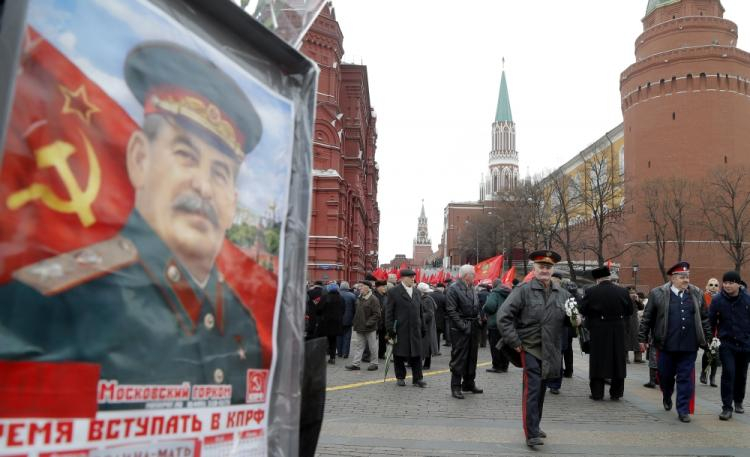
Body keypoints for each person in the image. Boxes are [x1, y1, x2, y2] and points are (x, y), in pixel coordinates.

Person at [0, 42, 277, 407]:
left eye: (221, 173)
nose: (204, 186)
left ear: (232, 203)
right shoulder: (54, 299)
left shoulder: (242, 322)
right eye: (185, 156)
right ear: (140, 158)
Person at [498, 250, 572, 447]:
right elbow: (503, 316)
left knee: (541, 389)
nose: (545, 270)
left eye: (548, 267)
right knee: (532, 389)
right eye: (541, 266)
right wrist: (515, 341)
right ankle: (531, 433)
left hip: (551, 349)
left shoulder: (563, 293)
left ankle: (535, 425)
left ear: (553, 269)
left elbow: (569, 321)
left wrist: (576, 320)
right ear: (534, 268)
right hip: (529, 347)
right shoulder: (523, 290)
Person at [639, 261, 711, 423]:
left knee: (685, 378)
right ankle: (666, 394)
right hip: (666, 345)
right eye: (682, 277)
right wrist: (642, 338)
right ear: (672, 278)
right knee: (665, 376)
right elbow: (647, 318)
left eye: (687, 276)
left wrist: (708, 340)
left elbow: (705, 318)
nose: (686, 280)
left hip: (689, 346)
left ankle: (683, 410)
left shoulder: (696, 293)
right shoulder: (658, 293)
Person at [579, 267, 632, 400]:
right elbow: (629, 310)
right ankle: (616, 392)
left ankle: (597, 393)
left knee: (598, 360)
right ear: (609, 277)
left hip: (599, 328)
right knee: (618, 360)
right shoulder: (623, 291)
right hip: (618, 328)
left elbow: (583, 309)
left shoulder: (591, 291)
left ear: (597, 279)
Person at [709, 271, 750, 420]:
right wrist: (710, 340)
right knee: (728, 373)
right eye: (725, 282)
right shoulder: (718, 300)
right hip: (726, 343)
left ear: (738, 284)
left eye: (731, 282)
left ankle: (738, 400)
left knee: (741, 374)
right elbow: (711, 321)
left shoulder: (747, 299)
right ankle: (727, 407)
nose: (727, 285)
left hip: (745, 344)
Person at [446, 265, 483, 399]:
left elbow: (477, 306)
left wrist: (478, 319)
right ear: (466, 275)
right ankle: (455, 386)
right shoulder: (453, 289)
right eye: (473, 274)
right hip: (460, 328)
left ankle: (468, 383)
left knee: (472, 357)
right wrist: (462, 326)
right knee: (459, 357)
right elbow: (451, 310)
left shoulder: (472, 288)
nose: (475, 276)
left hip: (473, 326)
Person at [385, 269, 426, 387]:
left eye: (413, 277)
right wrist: (390, 329)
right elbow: (389, 313)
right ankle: (400, 377)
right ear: (402, 278)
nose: (413, 279)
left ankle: (417, 378)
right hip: (400, 328)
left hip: (415, 328)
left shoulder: (417, 292)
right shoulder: (394, 292)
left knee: (416, 354)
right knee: (399, 354)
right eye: (410, 277)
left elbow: (420, 312)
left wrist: (423, 327)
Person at [346, 281, 381, 371]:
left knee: (372, 346)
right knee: (359, 346)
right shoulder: (359, 297)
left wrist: (368, 323)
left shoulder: (373, 299)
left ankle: (374, 363)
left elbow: (377, 314)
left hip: (370, 327)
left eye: (362, 286)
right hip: (359, 326)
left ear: (368, 288)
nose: (359, 288)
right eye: (360, 286)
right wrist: (355, 322)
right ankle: (356, 364)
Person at [483, 278, 511, 373]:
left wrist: (484, 309)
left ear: (493, 285)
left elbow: (490, 306)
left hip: (495, 324)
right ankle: (505, 366)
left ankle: (497, 366)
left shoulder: (494, 293)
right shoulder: (509, 293)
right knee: (505, 345)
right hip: (507, 323)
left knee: (495, 346)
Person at [316, 283, 343, 364]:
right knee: (333, 341)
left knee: (323, 340)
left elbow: (318, 309)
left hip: (325, 322)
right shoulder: (341, 298)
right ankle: (332, 358)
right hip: (336, 323)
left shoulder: (324, 297)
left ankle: (321, 358)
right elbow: (343, 310)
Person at [701, 277, 721, 386]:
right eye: (711, 285)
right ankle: (704, 374)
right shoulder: (703, 297)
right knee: (708, 352)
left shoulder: (721, 298)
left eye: (716, 285)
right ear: (707, 286)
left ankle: (712, 377)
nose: (713, 287)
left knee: (715, 354)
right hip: (707, 330)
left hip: (718, 331)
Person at [418, 282, 439, 370]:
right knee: (424, 345)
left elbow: (429, 314)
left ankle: (427, 364)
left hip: (427, 326)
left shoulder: (427, 299)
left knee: (427, 345)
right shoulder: (424, 298)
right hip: (425, 325)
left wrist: (420, 317)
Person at [624, 285, 645, 364]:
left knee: (637, 338)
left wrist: (638, 300)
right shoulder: (624, 298)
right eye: (630, 292)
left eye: (633, 291)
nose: (633, 293)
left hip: (635, 321)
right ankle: (625, 358)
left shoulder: (637, 299)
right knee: (625, 339)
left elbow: (641, 307)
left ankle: (638, 358)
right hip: (625, 320)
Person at [337, 281, 357, 358]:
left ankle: (339, 353)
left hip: (338, 319)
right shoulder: (352, 296)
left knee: (339, 336)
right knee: (347, 337)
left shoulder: (337, 295)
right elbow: (355, 309)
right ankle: (345, 353)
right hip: (348, 319)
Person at [373, 280, 389, 360]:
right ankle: (370, 355)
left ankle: (381, 353)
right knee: (372, 339)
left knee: (383, 339)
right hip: (375, 321)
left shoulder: (386, 296)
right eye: (383, 286)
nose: (385, 288)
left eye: (385, 286)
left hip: (384, 321)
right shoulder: (373, 295)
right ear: (378, 287)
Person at [431, 283, 447, 353]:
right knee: (437, 335)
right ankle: (436, 350)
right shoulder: (443, 297)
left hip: (430, 317)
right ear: (442, 288)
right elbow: (446, 308)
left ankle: (429, 349)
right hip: (439, 319)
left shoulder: (429, 295)